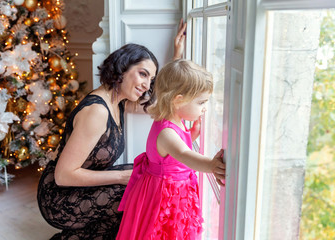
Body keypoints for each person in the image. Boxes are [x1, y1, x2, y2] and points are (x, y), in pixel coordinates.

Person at [37, 20, 187, 240]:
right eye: (143, 74)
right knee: (136, 186)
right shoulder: (97, 111)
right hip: (59, 197)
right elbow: (63, 176)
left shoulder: (118, 101)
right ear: (123, 68)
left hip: (78, 189)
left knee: (146, 171)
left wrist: (176, 57)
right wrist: (121, 176)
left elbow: (157, 105)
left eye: (151, 79)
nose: (147, 85)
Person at [116, 59, 226, 240]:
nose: (205, 108)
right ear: (178, 100)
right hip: (164, 196)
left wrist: (191, 135)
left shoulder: (173, 120)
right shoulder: (167, 133)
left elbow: (174, 153)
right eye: (201, 102)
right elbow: (183, 154)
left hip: (173, 190)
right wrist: (211, 166)